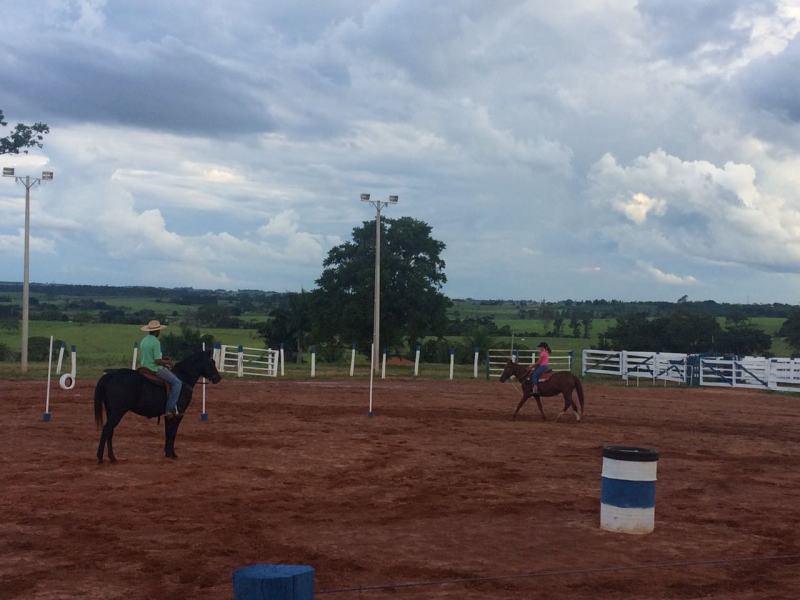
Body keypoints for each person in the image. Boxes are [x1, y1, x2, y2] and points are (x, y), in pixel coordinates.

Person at [139, 319, 182, 418]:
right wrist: (167, 362)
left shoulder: (144, 340)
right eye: (159, 330)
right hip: (154, 369)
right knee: (177, 383)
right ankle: (169, 410)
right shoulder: (156, 342)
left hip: (144, 367)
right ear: (157, 331)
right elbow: (157, 361)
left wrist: (163, 359)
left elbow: (151, 356)